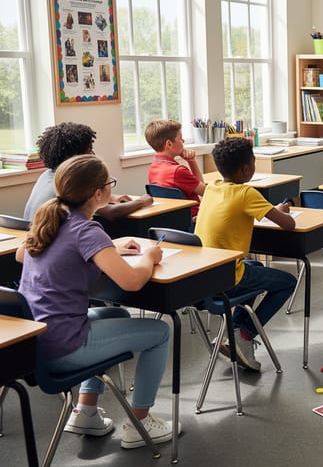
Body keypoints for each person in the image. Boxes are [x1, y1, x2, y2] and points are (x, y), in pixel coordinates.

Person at [16, 155, 176, 449]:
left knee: (113, 316)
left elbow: (21, 255)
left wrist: (106, 249)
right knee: (162, 332)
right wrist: (150, 257)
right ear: (98, 194)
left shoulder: (50, 217)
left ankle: (86, 410)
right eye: (109, 184)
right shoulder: (87, 229)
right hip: (64, 346)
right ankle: (140, 421)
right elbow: (132, 281)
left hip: (35, 341)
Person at [194, 137, 297, 371]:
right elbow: (288, 224)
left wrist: (270, 210)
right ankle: (245, 334)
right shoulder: (246, 193)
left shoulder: (212, 188)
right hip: (229, 276)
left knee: (257, 269)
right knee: (287, 282)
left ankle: (233, 333)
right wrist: (280, 210)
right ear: (246, 168)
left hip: (203, 276)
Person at [24, 122, 152, 222]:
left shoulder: (47, 176)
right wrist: (141, 201)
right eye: (90, 151)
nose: (92, 155)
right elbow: (111, 213)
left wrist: (111, 197)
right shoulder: (73, 181)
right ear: (77, 157)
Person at [144, 118, 206, 217]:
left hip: (174, 222)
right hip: (193, 221)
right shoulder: (178, 171)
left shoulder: (154, 167)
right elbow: (205, 192)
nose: (183, 141)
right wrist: (192, 161)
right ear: (169, 144)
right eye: (181, 139)